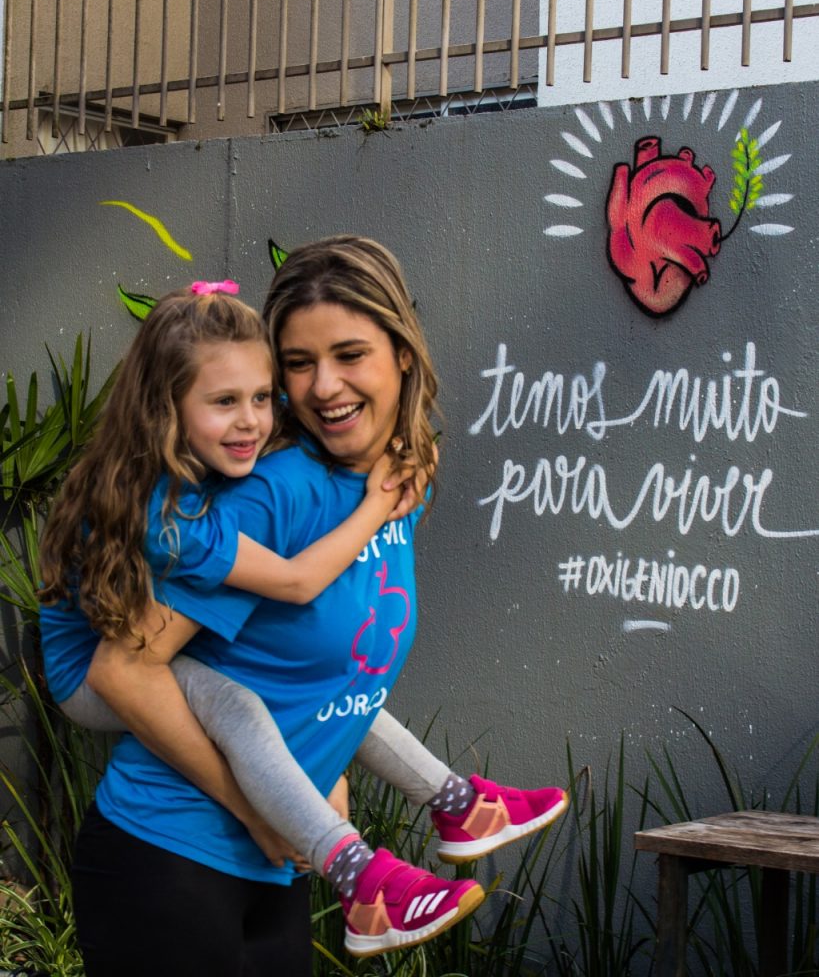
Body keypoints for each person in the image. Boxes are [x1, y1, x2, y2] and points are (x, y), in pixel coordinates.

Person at [48, 246, 567, 975]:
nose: (323, 386)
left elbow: (329, 667)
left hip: (277, 867)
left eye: (349, 353)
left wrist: (319, 786)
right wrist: (263, 812)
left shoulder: (383, 479)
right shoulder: (268, 495)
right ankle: (369, 873)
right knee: (233, 706)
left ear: (402, 356)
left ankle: (452, 802)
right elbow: (125, 669)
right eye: (299, 363)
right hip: (173, 855)